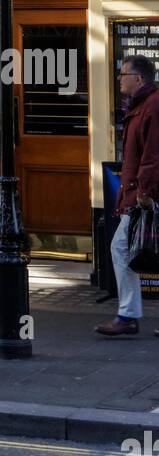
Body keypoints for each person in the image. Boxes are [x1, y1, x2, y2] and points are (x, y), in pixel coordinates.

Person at [96, 55, 159, 337]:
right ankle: (128, 314)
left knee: (121, 247)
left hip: (146, 194)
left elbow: (153, 155)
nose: (119, 79)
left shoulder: (151, 106)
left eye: (123, 74)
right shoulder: (142, 106)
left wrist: (144, 192)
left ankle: (128, 315)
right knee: (122, 247)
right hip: (140, 192)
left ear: (139, 79)